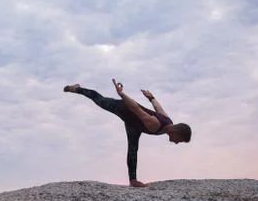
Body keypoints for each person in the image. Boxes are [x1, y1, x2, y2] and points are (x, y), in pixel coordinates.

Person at [63, 78, 191, 187]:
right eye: (179, 140)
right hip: (125, 108)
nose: (177, 143)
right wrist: (122, 94)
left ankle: (133, 180)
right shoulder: (155, 125)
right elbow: (135, 108)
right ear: (177, 132)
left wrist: (151, 97)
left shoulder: (168, 122)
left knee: (133, 149)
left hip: (134, 126)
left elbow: (159, 108)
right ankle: (78, 88)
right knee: (100, 100)